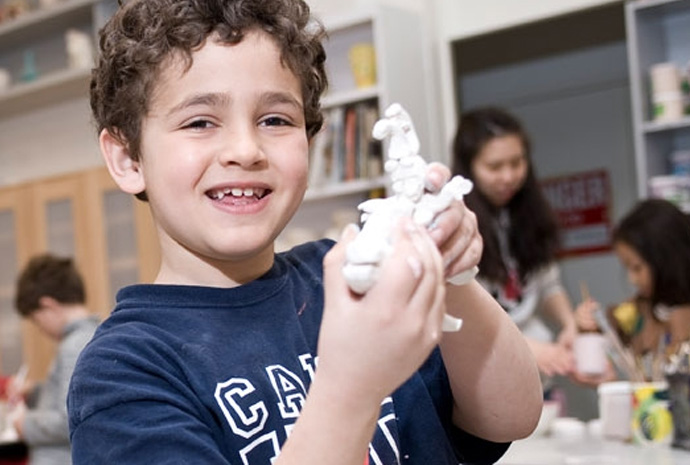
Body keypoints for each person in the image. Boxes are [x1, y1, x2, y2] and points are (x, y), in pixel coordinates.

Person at [66, 1, 543, 464]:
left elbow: (510, 418)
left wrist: (454, 278)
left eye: (276, 120)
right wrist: (351, 384)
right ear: (128, 159)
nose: (246, 149)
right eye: (200, 122)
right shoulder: (122, 372)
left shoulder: (350, 278)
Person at [451, 106, 595, 392]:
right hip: (490, 379)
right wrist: (527, 347)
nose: (508, 176)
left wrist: (569, 324)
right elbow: (464, 317)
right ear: (469, 168)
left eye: (517, 163)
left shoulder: (529, 215)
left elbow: (548, 284)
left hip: (540, 376)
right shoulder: (454, 224)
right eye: (494, 167)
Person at [576, 198, 690, 379]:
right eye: (627, 268)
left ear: (666, 259)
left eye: (637, 268)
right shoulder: (636, 310)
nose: (632, 279)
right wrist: (589, 327)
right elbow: (609, 340)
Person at [9, 254, 99, 465]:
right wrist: (35, 392)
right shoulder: (89, 335)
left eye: (36, 320)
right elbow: (71, 397)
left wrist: (25, 424)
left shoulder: (74, 346)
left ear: (48, 306)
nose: (39, 328)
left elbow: (69, 417)